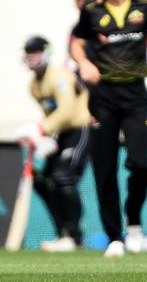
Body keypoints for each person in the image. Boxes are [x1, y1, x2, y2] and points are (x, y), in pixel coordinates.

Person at [70, 0, 147, 257]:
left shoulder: (145, 5)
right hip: (103, 98)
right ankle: (115, 237)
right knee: (104, 168)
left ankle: (135, 223)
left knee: (139, 165)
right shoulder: (92, 9)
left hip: (135, 97)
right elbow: (76, 42)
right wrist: (84, 62)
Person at [16, 36, 90, 251]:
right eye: (28, 53)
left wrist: (40, 129)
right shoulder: (34, 87)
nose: (31, 57)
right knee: (43, 181)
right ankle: (62, 234)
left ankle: (75, 237)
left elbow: (66, 112)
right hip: (63, 133)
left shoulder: (58, 76)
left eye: (36, 52)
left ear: (46, 52)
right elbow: (52, 114)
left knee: (64, 177)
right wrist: (46, 137)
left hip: (81, 128)